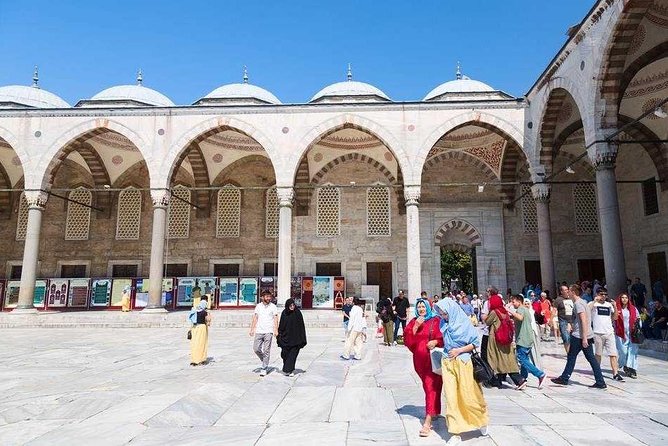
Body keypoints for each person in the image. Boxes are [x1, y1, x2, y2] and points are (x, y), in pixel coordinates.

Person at [434, 298, 488, 445]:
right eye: (440, 313)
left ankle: (481, 420)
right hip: (448, 362)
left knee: (468, 394)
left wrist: (459, 350)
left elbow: (474, 343)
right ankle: (455, 431)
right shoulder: (443, 323)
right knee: (451, 396)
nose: (442, 315)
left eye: (444, 313)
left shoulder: (464, 323)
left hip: (463, 362)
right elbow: (442, 339)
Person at [551, 285, 607, 389]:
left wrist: (584, 338)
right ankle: (600, 381)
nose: (568, 292)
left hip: (580, 336)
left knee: (572, 357)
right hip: (585, 335)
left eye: (569, 291)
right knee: (590, 359)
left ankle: (564, 378)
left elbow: (583, 320)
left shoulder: (578, 304)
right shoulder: (583, 302)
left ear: (573, 292)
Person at [403, 298, 443, 437]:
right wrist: (415, 327)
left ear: (428, 307)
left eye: (423, 306)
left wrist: (436, 341)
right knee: (432, 387)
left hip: (433, 361)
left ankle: (427, 421)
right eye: (419, 307)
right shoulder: (414, 321)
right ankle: (435, 410)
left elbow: (443, 337)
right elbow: (408, 341)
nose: (421, 309)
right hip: (420, 362)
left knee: (430, 387)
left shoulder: (435, 320)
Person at [484, 293, 526, 390]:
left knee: (495, 358)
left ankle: (518, 380)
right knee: (505, 359)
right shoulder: (504, 311)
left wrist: (487, 314)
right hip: (505, 339)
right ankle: (498, 381)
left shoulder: (494, 312)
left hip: (495, 339)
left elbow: (487, 322)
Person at [508, 295, 546, 388]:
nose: (513, 304)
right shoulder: (525, 310)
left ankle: (540, 374)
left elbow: (520, 318)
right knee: (525, 358)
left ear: (519, 301)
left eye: (514, 302)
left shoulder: (521, 308)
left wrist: (509, 310)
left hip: (523, 338)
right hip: (528, 338)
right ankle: (523, 379)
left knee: (521, 358)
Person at [589, 288, 624, 381]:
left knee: (613, 354)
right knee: (598, 354)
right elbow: (587, 312)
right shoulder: (593, 304)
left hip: (609, 332)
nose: (603, 296)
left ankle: (615, 373)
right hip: (597, 332)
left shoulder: (609, 305)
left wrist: (615, 306)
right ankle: (597, 371)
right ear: (597, 294)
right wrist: (594, 301)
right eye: (601, 294)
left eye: (605, 294)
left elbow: (615, 317)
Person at [249, 291, 279, 376]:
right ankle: (265, 360)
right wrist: (252, 329)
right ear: (262, 297)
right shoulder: (258, 306)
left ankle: (264, 367)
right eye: (266, 296)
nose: (268, 298)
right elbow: (255, 317)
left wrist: (276, 330)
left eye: (269, 297)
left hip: (268, 331)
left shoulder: (273, 307)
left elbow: (276, 318)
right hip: (259, 330)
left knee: (266, 350)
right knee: (256, 348)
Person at [277, 298, 307, 376]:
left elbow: (301, 326)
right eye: (290, 305)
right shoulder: (284, 313)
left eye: (293, 305)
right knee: (284, 354)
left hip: (296, 338)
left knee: (293, 355)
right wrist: (279, 335)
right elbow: (281, 325)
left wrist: (302, 338)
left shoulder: (298, 313)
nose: (292, 307)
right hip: (286, 338)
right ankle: (289, 368)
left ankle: (289, 370)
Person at [615, 292, 640, 379]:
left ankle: (632, 368)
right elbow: (613, 320)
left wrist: (637, 328)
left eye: (626, 297)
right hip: (620, 334)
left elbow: (638, 318)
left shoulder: (633, 309)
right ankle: (623, 364)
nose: (624, 299)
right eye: (622, 298)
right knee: (623, 351)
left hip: (632, 334)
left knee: (633, 351)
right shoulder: (617, 309)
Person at [188, 297, 211, 366]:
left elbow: (191, 321)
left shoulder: (194, 311)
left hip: (194, 328)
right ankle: (201, 359)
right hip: (202, 328)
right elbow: (208, 322)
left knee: (194, 343)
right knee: (201, 343)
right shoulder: (205, 312)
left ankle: (194, 359)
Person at [554, 285, 575, 353]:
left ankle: (572, 352)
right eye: (565, 290)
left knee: (573, 338)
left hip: (572, 320)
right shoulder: (558, 300)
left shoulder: (571, 298)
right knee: (566, 338)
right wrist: (551, 320)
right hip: (563, 320)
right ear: (561, 291)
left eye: (567, 289)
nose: (567, 291)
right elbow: (554, 310)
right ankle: (568, 353)